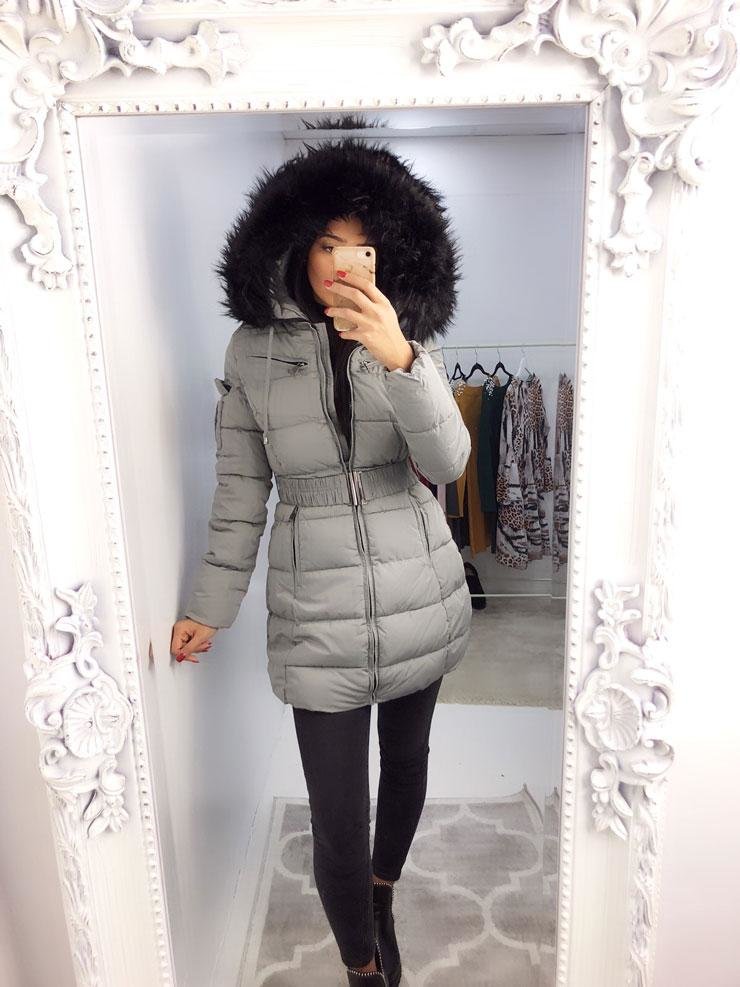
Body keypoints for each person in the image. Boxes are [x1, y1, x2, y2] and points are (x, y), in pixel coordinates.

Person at [170, 113, 473, 985]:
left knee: (406, 766)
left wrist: (400, 358)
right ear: (297, 247)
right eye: (327, 245)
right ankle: (362, 966)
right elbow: (240, 491)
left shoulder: (408, 339)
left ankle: (384, 890)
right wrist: (209, 607)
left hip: (420, 592)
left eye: (361, 248)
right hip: (315, 610)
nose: (343, 263)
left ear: (387, 256)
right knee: (337, 817)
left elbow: (448, 463)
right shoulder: (250, 351)